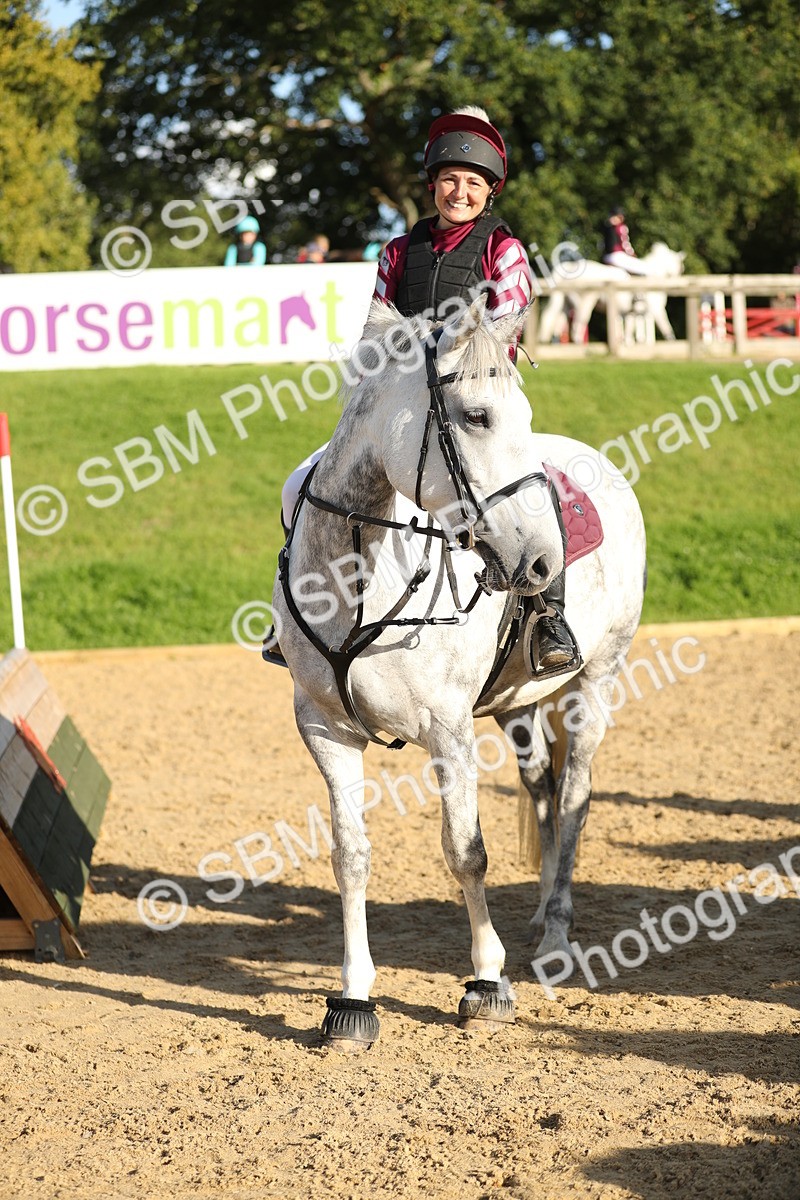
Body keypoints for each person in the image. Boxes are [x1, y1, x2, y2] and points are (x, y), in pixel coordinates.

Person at [266, 106, 576, 674]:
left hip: (476, 402)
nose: (460, 192)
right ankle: (294, 613)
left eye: (473, 183)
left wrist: (438, 349)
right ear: (432, 185)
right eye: (449, 180)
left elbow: (503, 328)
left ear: (489, 192)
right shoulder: (396, 251)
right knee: (296, 487)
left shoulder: (504, 250)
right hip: (403, 407)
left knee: (537, 490)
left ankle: (547, 615)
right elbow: (374, 334)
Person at [602, 206, 649, 276]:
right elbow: (625, 244)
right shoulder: (620, 227)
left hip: (608, 257)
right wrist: (631, 253)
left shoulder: (607, 227)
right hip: (616, 255)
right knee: (640, 267)